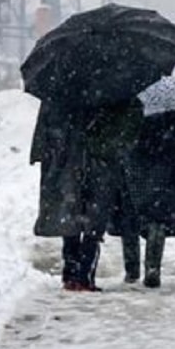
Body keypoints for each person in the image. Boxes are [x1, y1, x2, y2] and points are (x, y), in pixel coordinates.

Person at [31, 97, 144, 292]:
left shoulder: (59, 91)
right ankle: (84, 275)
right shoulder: (117, 90)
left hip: (69, 162)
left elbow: (46, 126)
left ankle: (72, 273)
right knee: (93, 219)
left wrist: (42, 153)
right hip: (98, 164)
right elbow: (130, 130)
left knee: (72, 216)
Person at [111, 108, 175, 288]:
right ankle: (153, 267)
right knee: (157, 218)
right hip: (163, 169)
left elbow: (114, 137)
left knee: (129, 218)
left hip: (131, 167)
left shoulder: (126, 101)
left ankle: (132, 269)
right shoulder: (171, 110)